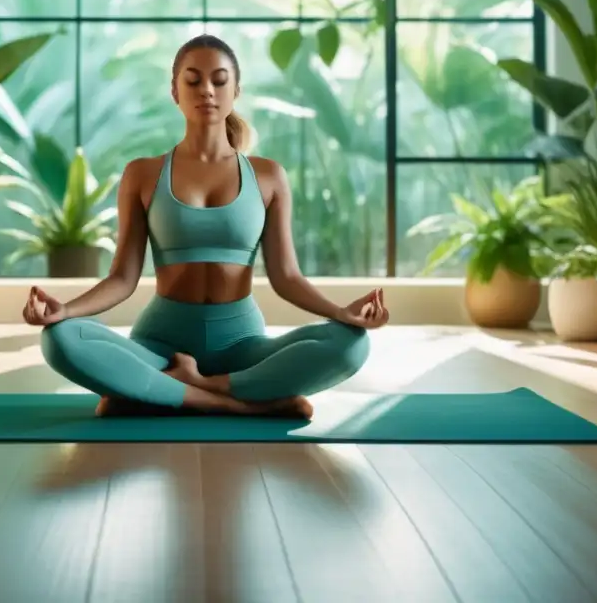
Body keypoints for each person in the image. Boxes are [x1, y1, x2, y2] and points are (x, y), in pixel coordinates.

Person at [22, 34, 389, 419]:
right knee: (60, 339)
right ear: (174, 92)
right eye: (193, 80)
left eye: (219, 80)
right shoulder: (143, 174)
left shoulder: (268, 176)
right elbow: (122, 278)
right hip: (161, 345)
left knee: (351, 344)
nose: (207, 91)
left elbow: (286, 277)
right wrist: (64, 310)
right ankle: (237, 402)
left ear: (236, 90)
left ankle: (175, 388)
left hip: (242, 345)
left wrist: (341, 313)